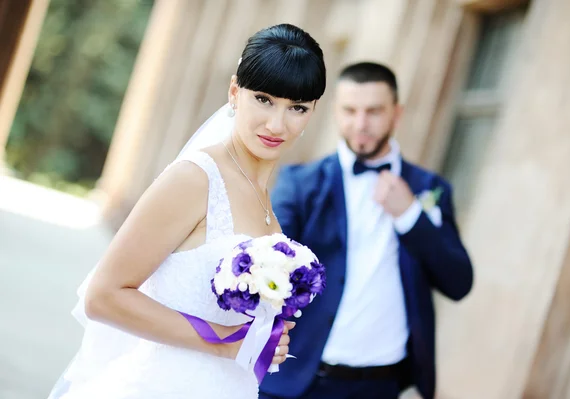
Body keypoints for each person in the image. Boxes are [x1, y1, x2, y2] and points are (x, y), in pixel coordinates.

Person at [47, 23, 327, 399]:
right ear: (234, 92)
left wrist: (263, 339)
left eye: (296, 108)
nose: (277, 124)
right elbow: (104, 296)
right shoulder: (196, 179)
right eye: (263, 99)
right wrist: (225, 341)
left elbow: (237, 325)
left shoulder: (264, 200)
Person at [259, 62, 473, 399]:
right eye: (350, 111)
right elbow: (269, 264)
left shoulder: (429, 188)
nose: (361, 124)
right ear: (334, 113)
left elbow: (459, 282)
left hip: (380, 386)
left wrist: (410, 216)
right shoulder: (299, 184)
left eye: (373, 112)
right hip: (296, 381)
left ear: (396, 114)